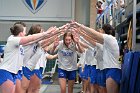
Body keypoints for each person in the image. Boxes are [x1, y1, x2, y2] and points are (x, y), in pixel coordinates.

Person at [0, 23, 56, 93]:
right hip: (7, 71)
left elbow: (38, 41)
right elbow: (31, 38)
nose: (25, 33)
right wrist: (46, 33)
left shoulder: (20, 44)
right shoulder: (12, 39)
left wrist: (55, 33)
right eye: (24, 31)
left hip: (16, 71)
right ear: (20, 33)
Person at [72, 22, 121, 93]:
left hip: (113, 69)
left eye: (101, 30)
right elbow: (90, 40)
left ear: (104, 31)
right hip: (106, 69)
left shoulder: (110, 39)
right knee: (100, 88)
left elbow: (94, 35)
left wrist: (80, 26)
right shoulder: (104, 43)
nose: (99, 32)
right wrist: (80, 33)